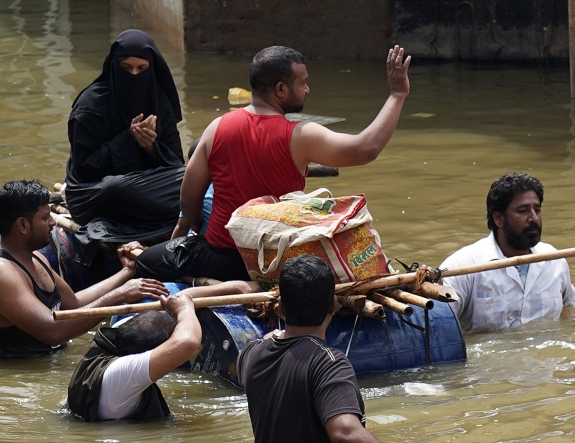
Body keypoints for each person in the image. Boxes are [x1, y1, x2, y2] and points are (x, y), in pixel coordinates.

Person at [136, 44, 413, 283]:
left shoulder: (216, 127)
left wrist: (187, 233)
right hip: (278, 262)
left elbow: (189, 199)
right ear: (281, 89)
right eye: (302, 82)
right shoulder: (302, 135)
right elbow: (366, 149)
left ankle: (200, 280)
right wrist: (397, 95)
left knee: (144, 261)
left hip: (221, 258)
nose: (307, 88)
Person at [240, 256, 435, 443]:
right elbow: (345, 432)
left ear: (280, 307)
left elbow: (269, 350)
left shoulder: (250, 354)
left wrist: (267, 340)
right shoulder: (329, 362)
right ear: (333, 305)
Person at [0, 179, 169, 360]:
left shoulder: (37, 258)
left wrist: (126, 272)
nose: (53, 222)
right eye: (45, 217)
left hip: (45, 368)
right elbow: (52, 329)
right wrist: (119, 295)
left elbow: (73, 305)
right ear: (22, 225)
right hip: (13, 382)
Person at [65, 280, 259, 421]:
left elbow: (177, 299)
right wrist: (185, 312)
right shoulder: (122, 373)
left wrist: (238, 287)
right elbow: (188, 342)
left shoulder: (116, 335)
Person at [65, 30, 186, 246]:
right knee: (116, 188)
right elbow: (84, 168)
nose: (134, 75)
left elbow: (176, 162)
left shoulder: (158, 101)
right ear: (114, 66)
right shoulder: (90, 106)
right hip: (93, 193)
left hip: (146, 186)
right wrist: (128, 140)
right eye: (126, 68)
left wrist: (150, 147)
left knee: (195, 175)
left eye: (142, 69)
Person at [438, 173, 575, 333]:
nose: (534, 218)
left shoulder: (554, 260)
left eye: (537, 210)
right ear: (498, 218)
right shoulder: (465, 267)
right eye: (523, 211)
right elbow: (435, 322)